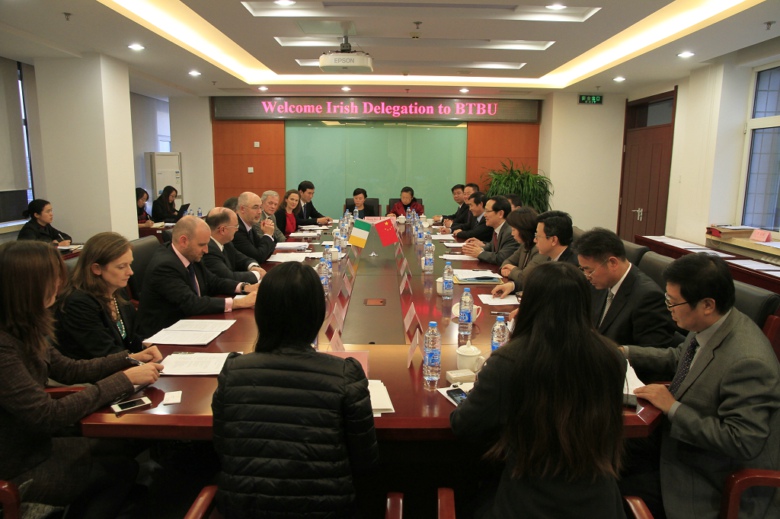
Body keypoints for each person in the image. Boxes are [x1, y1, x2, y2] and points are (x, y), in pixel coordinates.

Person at [0, 240, 163, 519]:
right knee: (120, 469)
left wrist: (130, 358)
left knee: (123, 449)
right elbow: (47, 415)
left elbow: (69, 369)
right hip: (18, 463)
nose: (59, 284)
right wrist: (123, 380)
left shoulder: (28, 325)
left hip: (35, 444)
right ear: (26, 286)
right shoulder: (4, 345)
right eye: (53, 278)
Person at [450, 262, 626, 518]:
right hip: (600, 503)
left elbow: (463, 424)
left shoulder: (509, 361)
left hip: (529, 502)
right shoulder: (612, 357)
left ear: (530, 304)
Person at [212, 261, 378, 518]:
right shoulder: (345, 375)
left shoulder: (233, 371)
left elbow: (223, 447)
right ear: (317, 313)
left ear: (261, 313)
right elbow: (365, 461)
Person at [621, 253, 780, 519]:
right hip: (679, 446)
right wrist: (625, 351)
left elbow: (742, 441)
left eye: (672, 302)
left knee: (607, 486)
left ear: (707, 304)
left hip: (708, 479)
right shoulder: (713, 325)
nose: (669, 308)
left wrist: (673, 408)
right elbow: (680, 357)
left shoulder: (748, 361)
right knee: (599, 455)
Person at [136, 216, 258, 337]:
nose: (206, 250)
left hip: (189, 324)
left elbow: (213, 281)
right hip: (163, 334)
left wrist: (245, 287)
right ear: (183, 241)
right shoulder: (165, 266)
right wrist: (239, 303)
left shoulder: (189, 254)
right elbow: (191, 303)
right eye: (202, 245)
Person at [573, 228, 679, 351]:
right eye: (583, 270)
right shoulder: (601, 283)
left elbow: (650, 354)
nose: (587, 276)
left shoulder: (648, 297)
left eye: (589, 270)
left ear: (613, 263)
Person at [55, 232, 147, 360]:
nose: (130, 272)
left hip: (122, 363)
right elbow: (104, 353)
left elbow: (132, 336)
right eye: (121, 267)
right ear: (97, 269)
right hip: (97, 369)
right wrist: (139, 359)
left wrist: (146, 348)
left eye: (129, 264)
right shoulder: (78, 303)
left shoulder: (116, 290)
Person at [491, 207, 549, 297]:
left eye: (514, 230)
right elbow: (507, 262)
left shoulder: (540, 249)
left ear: (523, 230)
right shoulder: (525, 245)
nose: (512, 233)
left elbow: (525, 278)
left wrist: (512, 270)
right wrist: (508, 269)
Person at [203, 207, 265, 284]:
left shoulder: (226, 243)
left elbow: (241, 259)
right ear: (222, 230)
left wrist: (253, 266)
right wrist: (257, 274)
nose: (237, 230)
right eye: (236, 226)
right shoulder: (208, 249)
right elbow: (228, 277)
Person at [462, 195, 520, 265]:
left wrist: (480, 253)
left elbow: (502, 258)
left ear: (500, 214)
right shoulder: (498, 228)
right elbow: (492, 246)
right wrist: (479, 248)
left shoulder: (510, 232)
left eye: (487, 211)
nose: (484, 215)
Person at [231, 191, 276, 264]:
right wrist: (268, 235)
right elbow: (258, 257)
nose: (260, 212)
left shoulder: (249, 224)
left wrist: (269, 235)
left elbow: (267, 250)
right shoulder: (236, 229)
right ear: (242, 209)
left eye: (260, 207)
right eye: (255, 207)